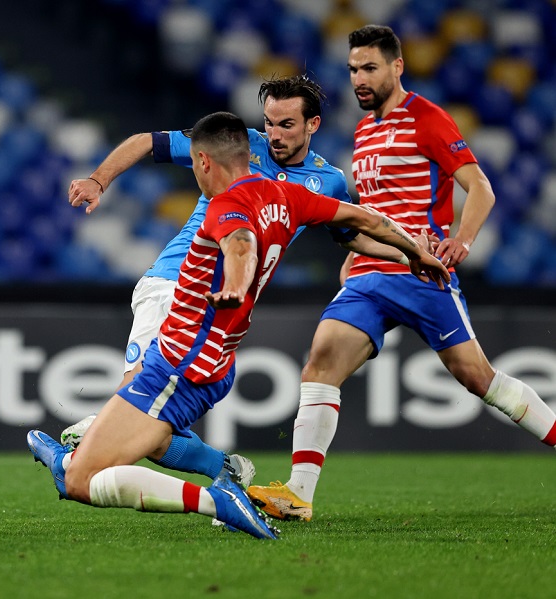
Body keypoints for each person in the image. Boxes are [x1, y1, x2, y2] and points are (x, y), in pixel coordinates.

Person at [27, 110, 450, 540]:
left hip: (179, 358)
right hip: (216, 361)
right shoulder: (290, 196)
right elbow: (368, 220)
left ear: (204, 162)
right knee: (138, 443)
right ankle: (209, 467)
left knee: (80, 480)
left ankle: (215, 498)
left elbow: (240, 245)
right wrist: (413, 252)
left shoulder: (224, 206)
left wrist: (234, 284)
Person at [247, 25, 556, 523]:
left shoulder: (427, 118)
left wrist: (462, 240)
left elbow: (480, 187)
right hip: (370, 273)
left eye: (370, 67)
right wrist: (354, 253)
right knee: (320, 363)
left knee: (478, 378)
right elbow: (373, 207)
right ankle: (298, 495)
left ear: (397, 67)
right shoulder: (364, 130)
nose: (359, 78)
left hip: (421, 272)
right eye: (353, 69)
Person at [60, 75, 411, 490]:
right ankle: (124, 451)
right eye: (269, 122)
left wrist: (407, 254)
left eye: (286, 125)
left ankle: (209, 469)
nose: (274, 134)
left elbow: (350, 234)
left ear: (312, 125)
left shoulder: (328, 181)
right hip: (173, 284)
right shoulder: (235, 146)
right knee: (141, 401)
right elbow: (144, 142)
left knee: (151, 425)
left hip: (223, 309)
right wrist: (98, 180)